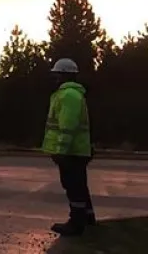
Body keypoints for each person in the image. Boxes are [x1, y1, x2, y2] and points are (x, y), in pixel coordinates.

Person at [42, 57, 95, 236]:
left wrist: (61, 151)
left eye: (57, 74)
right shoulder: (70, 94)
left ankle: (76, 223)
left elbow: (67, 126)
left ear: (65, 74)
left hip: (71, 151)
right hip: (77, 149)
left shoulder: (69, 95)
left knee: (73, 185)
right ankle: (87, 217)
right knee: (79, 184)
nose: (55, 77)